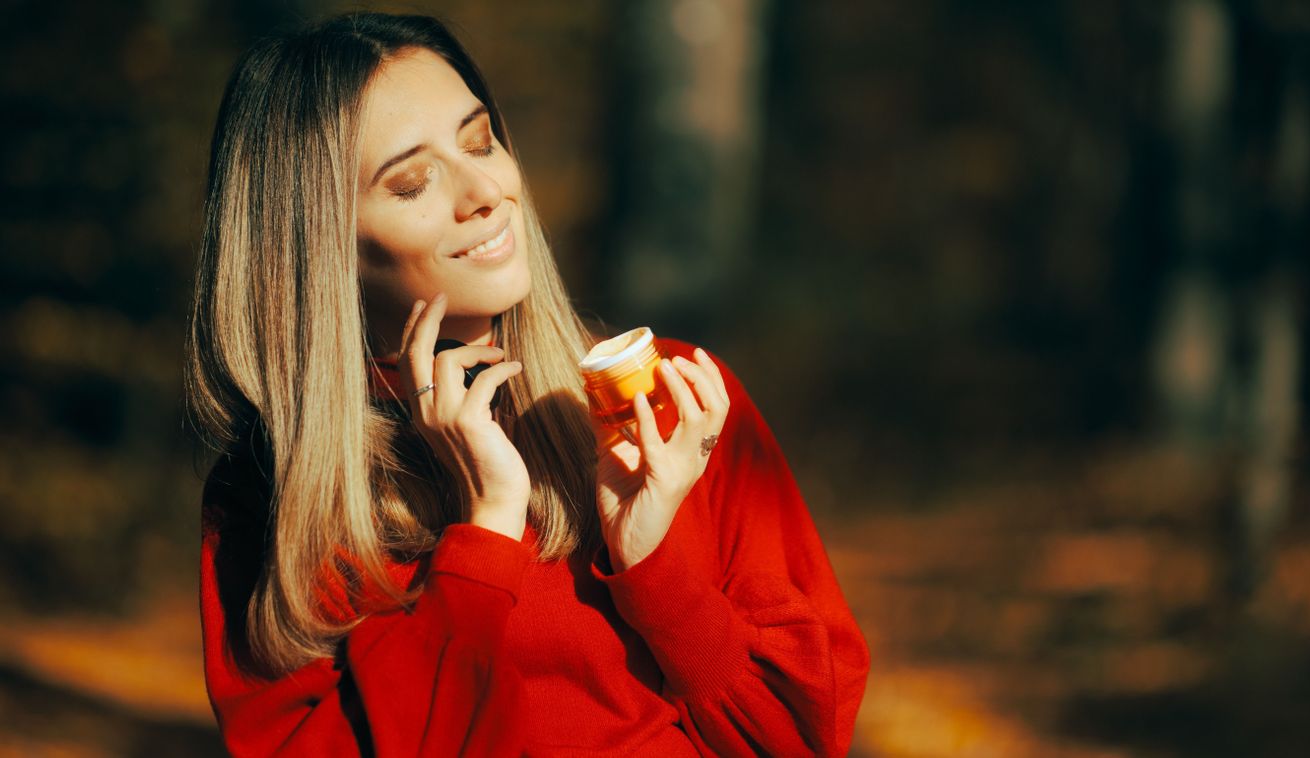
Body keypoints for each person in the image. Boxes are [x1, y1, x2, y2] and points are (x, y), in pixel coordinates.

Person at [187, 11, 869, 757]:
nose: (484, 189)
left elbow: (801, 738)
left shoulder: (670, 406)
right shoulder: (274, 494)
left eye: (481, 142)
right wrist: (484, 535)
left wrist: (657, 571)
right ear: (318, 244)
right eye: (412, 182)